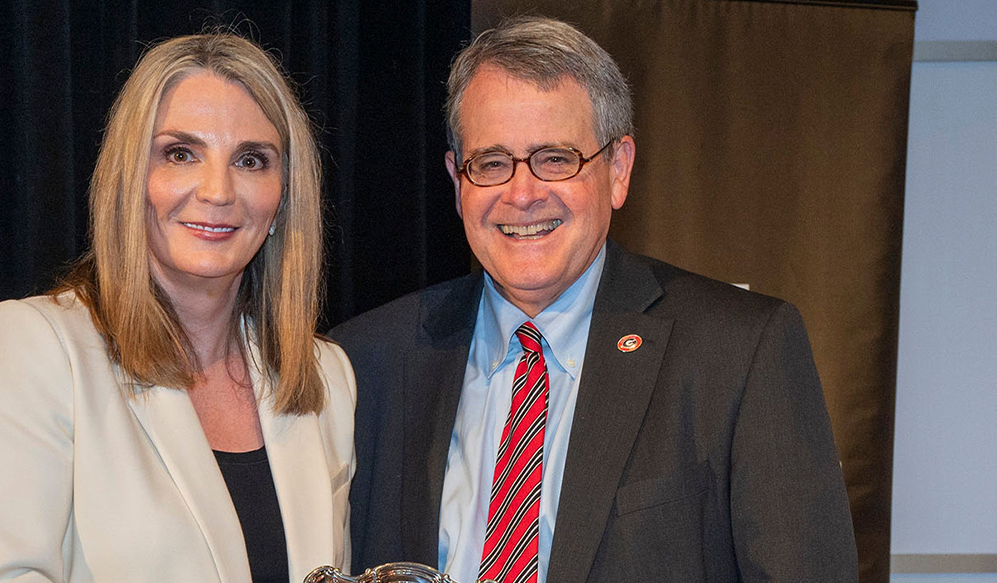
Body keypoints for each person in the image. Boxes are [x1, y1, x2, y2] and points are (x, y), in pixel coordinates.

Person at [331, 16, 857, 583]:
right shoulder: (364, 363)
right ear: (458, 182)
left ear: (618, 170)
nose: (522, 193)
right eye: (491, 163)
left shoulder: (740, 353)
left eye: (555, 159)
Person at [0, 33, 354, 583]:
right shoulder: (36, 349)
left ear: (283, 198)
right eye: (181, 153)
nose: (218, 190)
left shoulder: (327, 378)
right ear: (131, 180)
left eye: (251, 160)